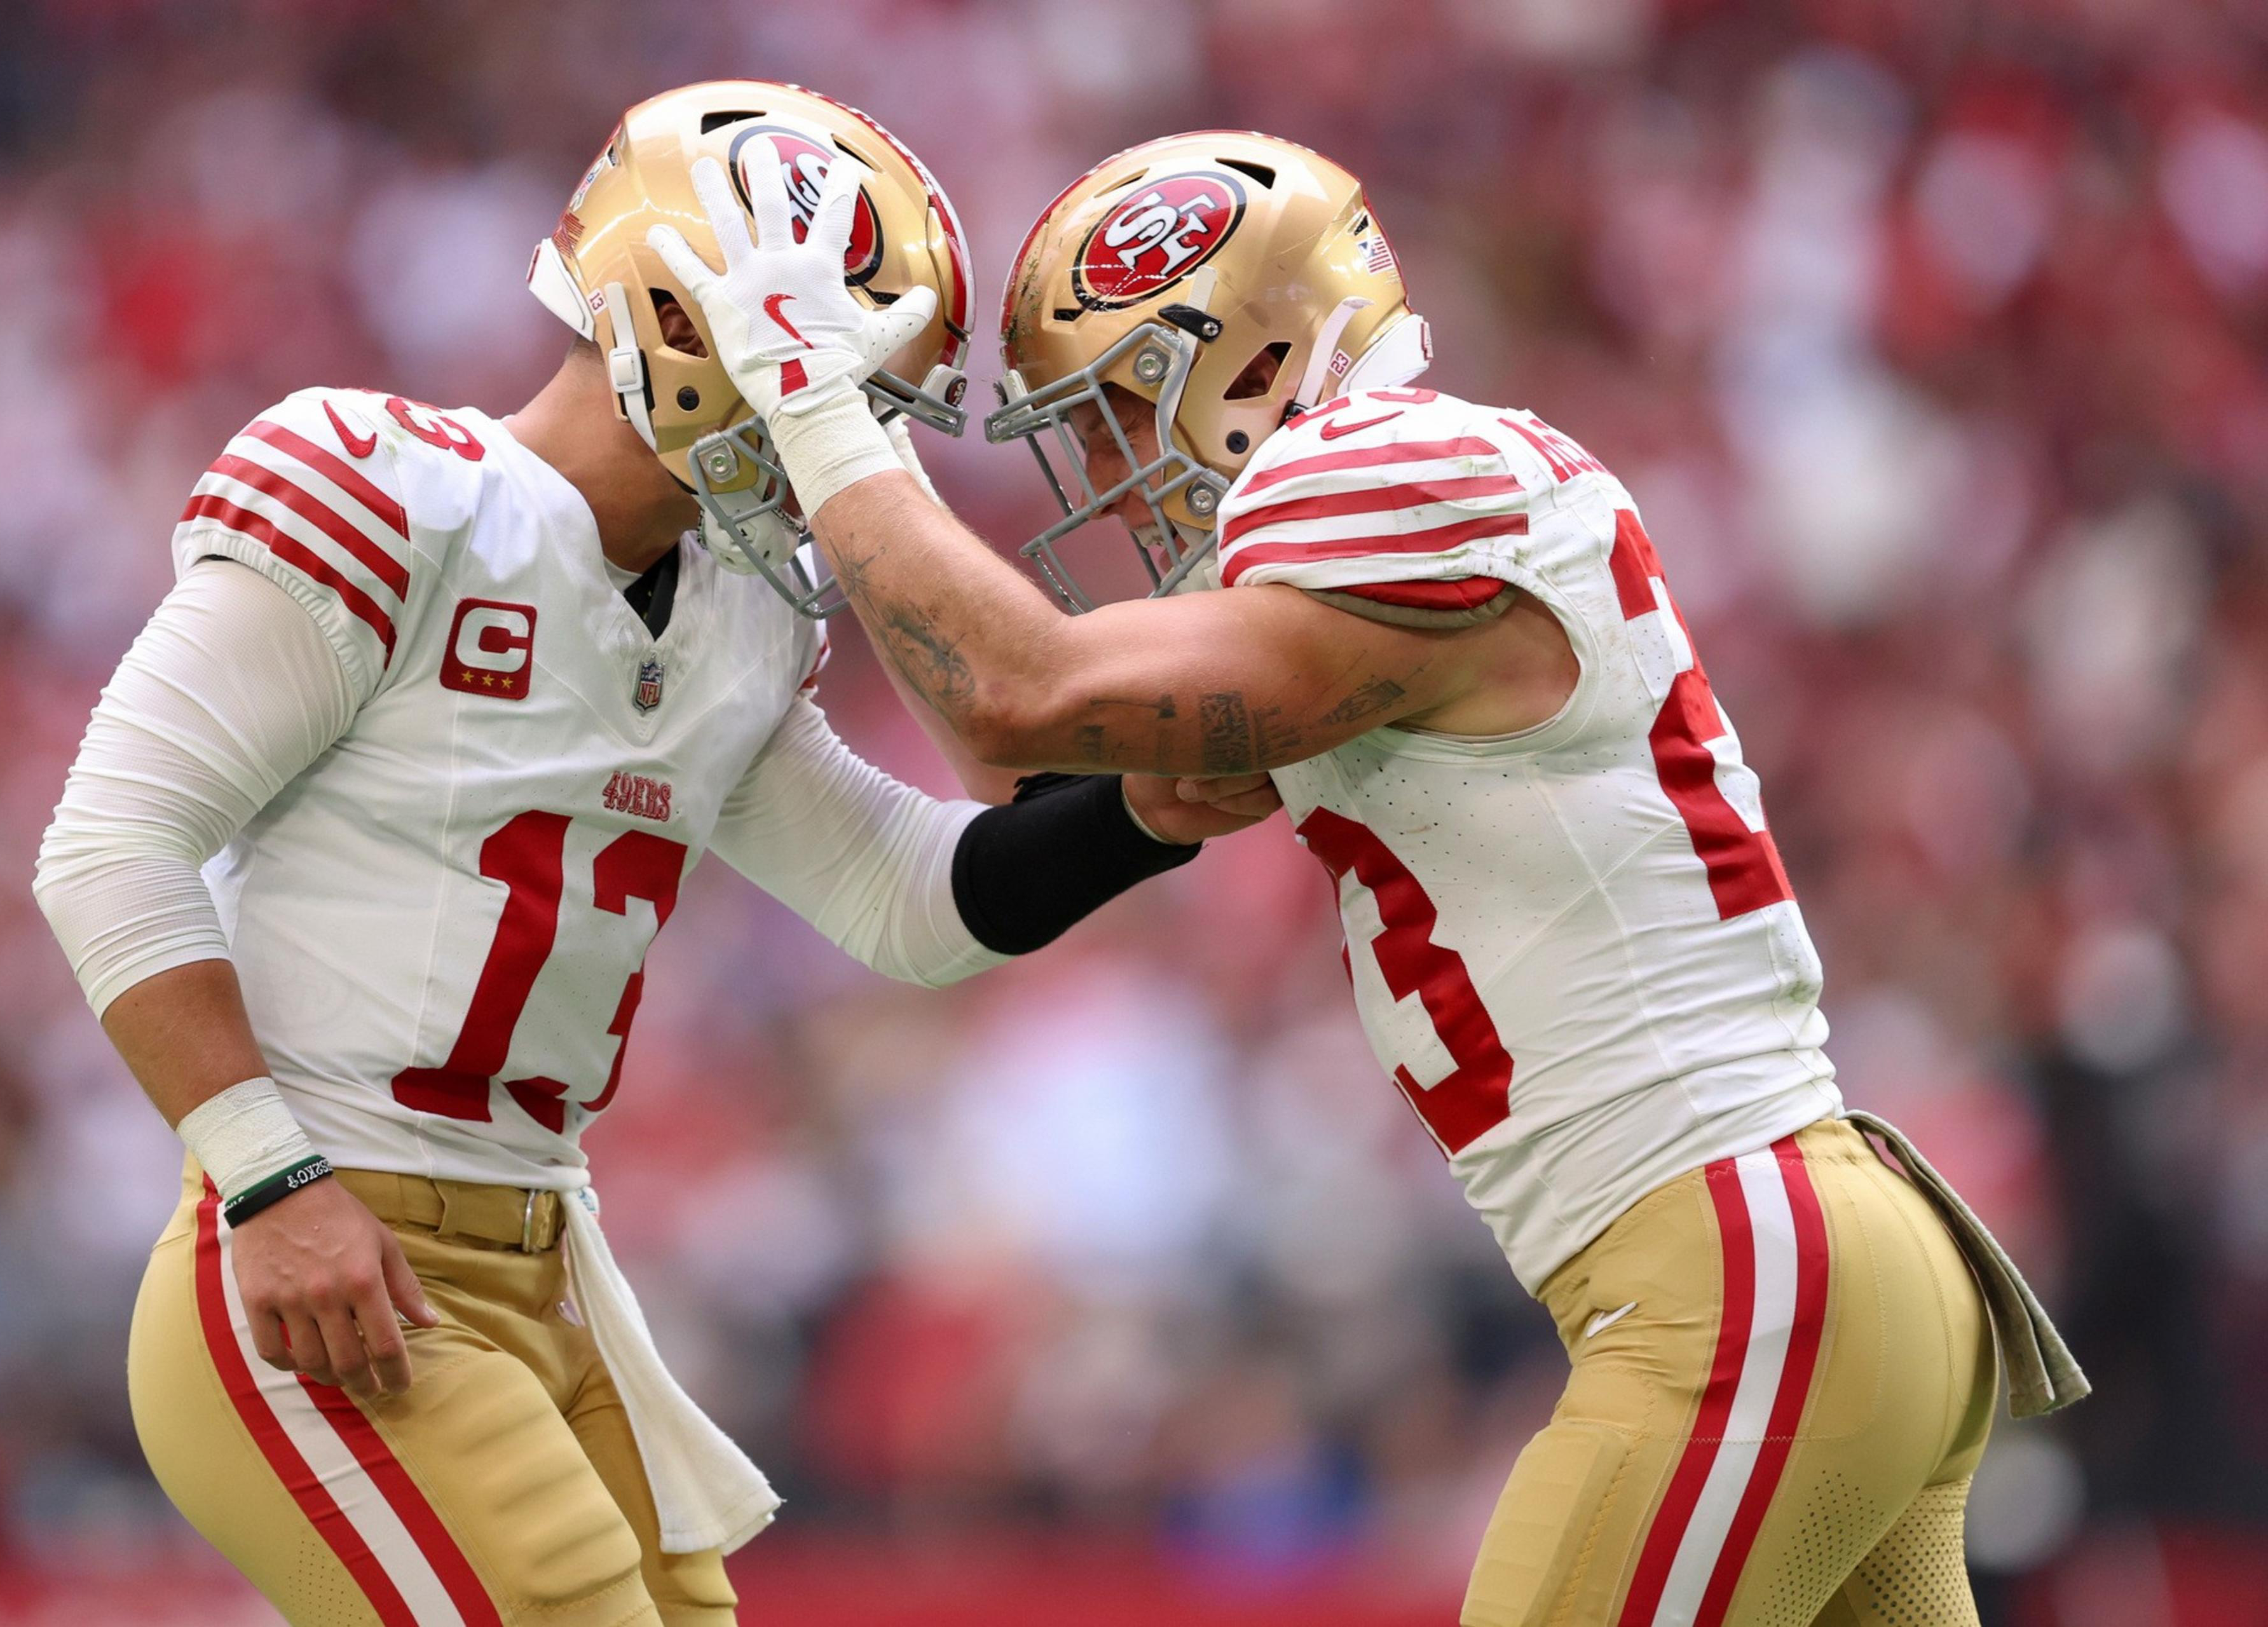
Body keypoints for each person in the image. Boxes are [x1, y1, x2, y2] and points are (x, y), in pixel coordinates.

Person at [650, 128, 2088, 1626]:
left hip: (1738, 1272)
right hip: (1821, 1254)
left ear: (1256, 363)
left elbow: (1013, 690)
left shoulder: (1372, 470)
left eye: (1117, 413)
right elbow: (1016, 795)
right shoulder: (1400, 551)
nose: (1099, 478)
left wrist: (818, 415)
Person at [32, 85, 1275, 1627]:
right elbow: (107, 843)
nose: (853, 438)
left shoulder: (743, 609)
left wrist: (1141, 820)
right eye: (834, 379)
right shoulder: (396, 490)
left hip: (543, 1267)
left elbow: (899, 896)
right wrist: (271, 1178)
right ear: (689, 319)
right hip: (326, 1257)